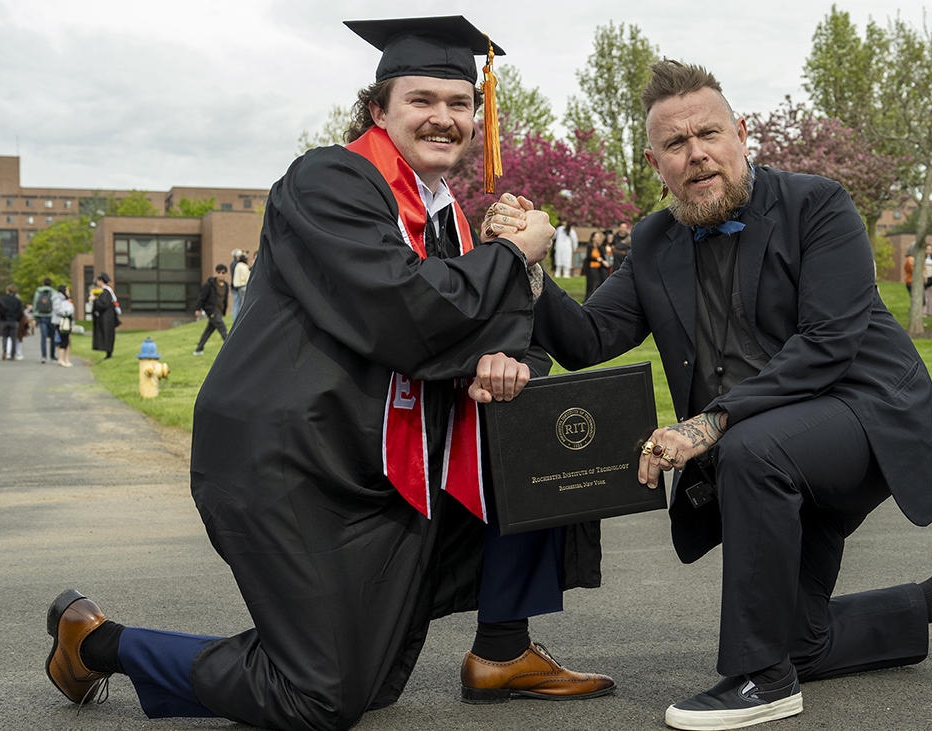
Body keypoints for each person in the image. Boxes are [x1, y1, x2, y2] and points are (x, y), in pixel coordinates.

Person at [44, 17, 612, 731]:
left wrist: (508, 359)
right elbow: (406, 315)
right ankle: (98, 643)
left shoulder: (446, 219)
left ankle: (502, 647)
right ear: (378, 109)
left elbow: (492, 331)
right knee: (322, 697)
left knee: (368, 685)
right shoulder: (328, 181)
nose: (444, 116)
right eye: (421, 100)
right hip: (290, 461)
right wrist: (516, 253)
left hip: (376, 465)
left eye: (460, 102)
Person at [503, 59, 932, 730]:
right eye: (675, 143)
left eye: (709, 133)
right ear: (655, 163)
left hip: (866, 417)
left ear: (741, 135)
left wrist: (710, 422)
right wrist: (526, 263)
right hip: (772, 446)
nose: (696, 153)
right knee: (802, 639)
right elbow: (589, 337)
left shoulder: (818, 204)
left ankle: (760, 680)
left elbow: (828, 343)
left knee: (749, 450)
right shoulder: (655, 240)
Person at [192, 264, 230, 356]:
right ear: (216, 273)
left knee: (208, 331)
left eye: (223, 273)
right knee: (223, 329)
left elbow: (225, 299)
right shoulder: (209, 285)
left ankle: (198, 350)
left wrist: (224, 310)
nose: (220, 274)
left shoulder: (226, 285)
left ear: (225, 274)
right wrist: (197, 309)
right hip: (212, 311)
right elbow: (202, 297)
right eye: (219, 272)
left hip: (220, 311)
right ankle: (230, 348)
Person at [89, 273, 119, 360]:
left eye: (97, 281)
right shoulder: (105, 291)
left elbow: (103, 305)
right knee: (107, 335)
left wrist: (94, 300)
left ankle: (109, 354)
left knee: (107, 335)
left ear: (101, 281)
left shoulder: (106, 292)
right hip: (107, 318)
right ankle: (108, 354)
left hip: (107, 318)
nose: (97, 283)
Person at [32, 277, 59, 363]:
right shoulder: (54, 292)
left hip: (41, 316)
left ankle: (43, 356)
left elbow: (35, 303)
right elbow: (56, 304)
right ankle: (52, 356)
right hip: (51, 317)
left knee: (43, 337)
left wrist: (35, 316)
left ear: (43, 283)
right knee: (52, 337)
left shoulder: (38, 292)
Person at [0, 284, 24, 361]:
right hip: (13, 320)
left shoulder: (2, 299)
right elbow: (20, 313)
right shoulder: (17, 301)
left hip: (5, 320)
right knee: (13, 338)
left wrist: (1, 318)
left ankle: (4, 348)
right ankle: (12, 355)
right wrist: (17, 319)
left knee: (4, 337)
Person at [583, 230, 608, 300]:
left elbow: (603, 257)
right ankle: (589, 298)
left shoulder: (600, 247)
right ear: (592, 238)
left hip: (598, 268)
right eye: (596, 237)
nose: (597, 238)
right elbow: (589, 257)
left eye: (598, 237)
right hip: (591, 268)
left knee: (598, 283)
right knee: (593, 283)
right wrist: (597, 259)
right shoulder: (590, 247)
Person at [54, 285, 75, 367]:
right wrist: (69, 311)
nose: (68, 292)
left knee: (68, 341)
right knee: (64, 340)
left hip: (68, 322)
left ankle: (66, 359)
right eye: (67, 290)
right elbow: (58, 310)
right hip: (61, 322)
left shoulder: (67, 299)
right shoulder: (58, 298)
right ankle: (60, 359)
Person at [229, 249, 250, 327]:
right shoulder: (240, 265)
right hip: (242, 286)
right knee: (242, 303)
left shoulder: (232, 264)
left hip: (235, 286)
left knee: (236, 304)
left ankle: (235, 320)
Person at [922, 244, 932, 317]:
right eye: (927, 249)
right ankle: (924, 311)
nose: (929, 251)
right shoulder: (922, 258)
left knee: (931, 295)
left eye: (930, 249)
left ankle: (930, 311)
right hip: (925, 275)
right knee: (925, 295)